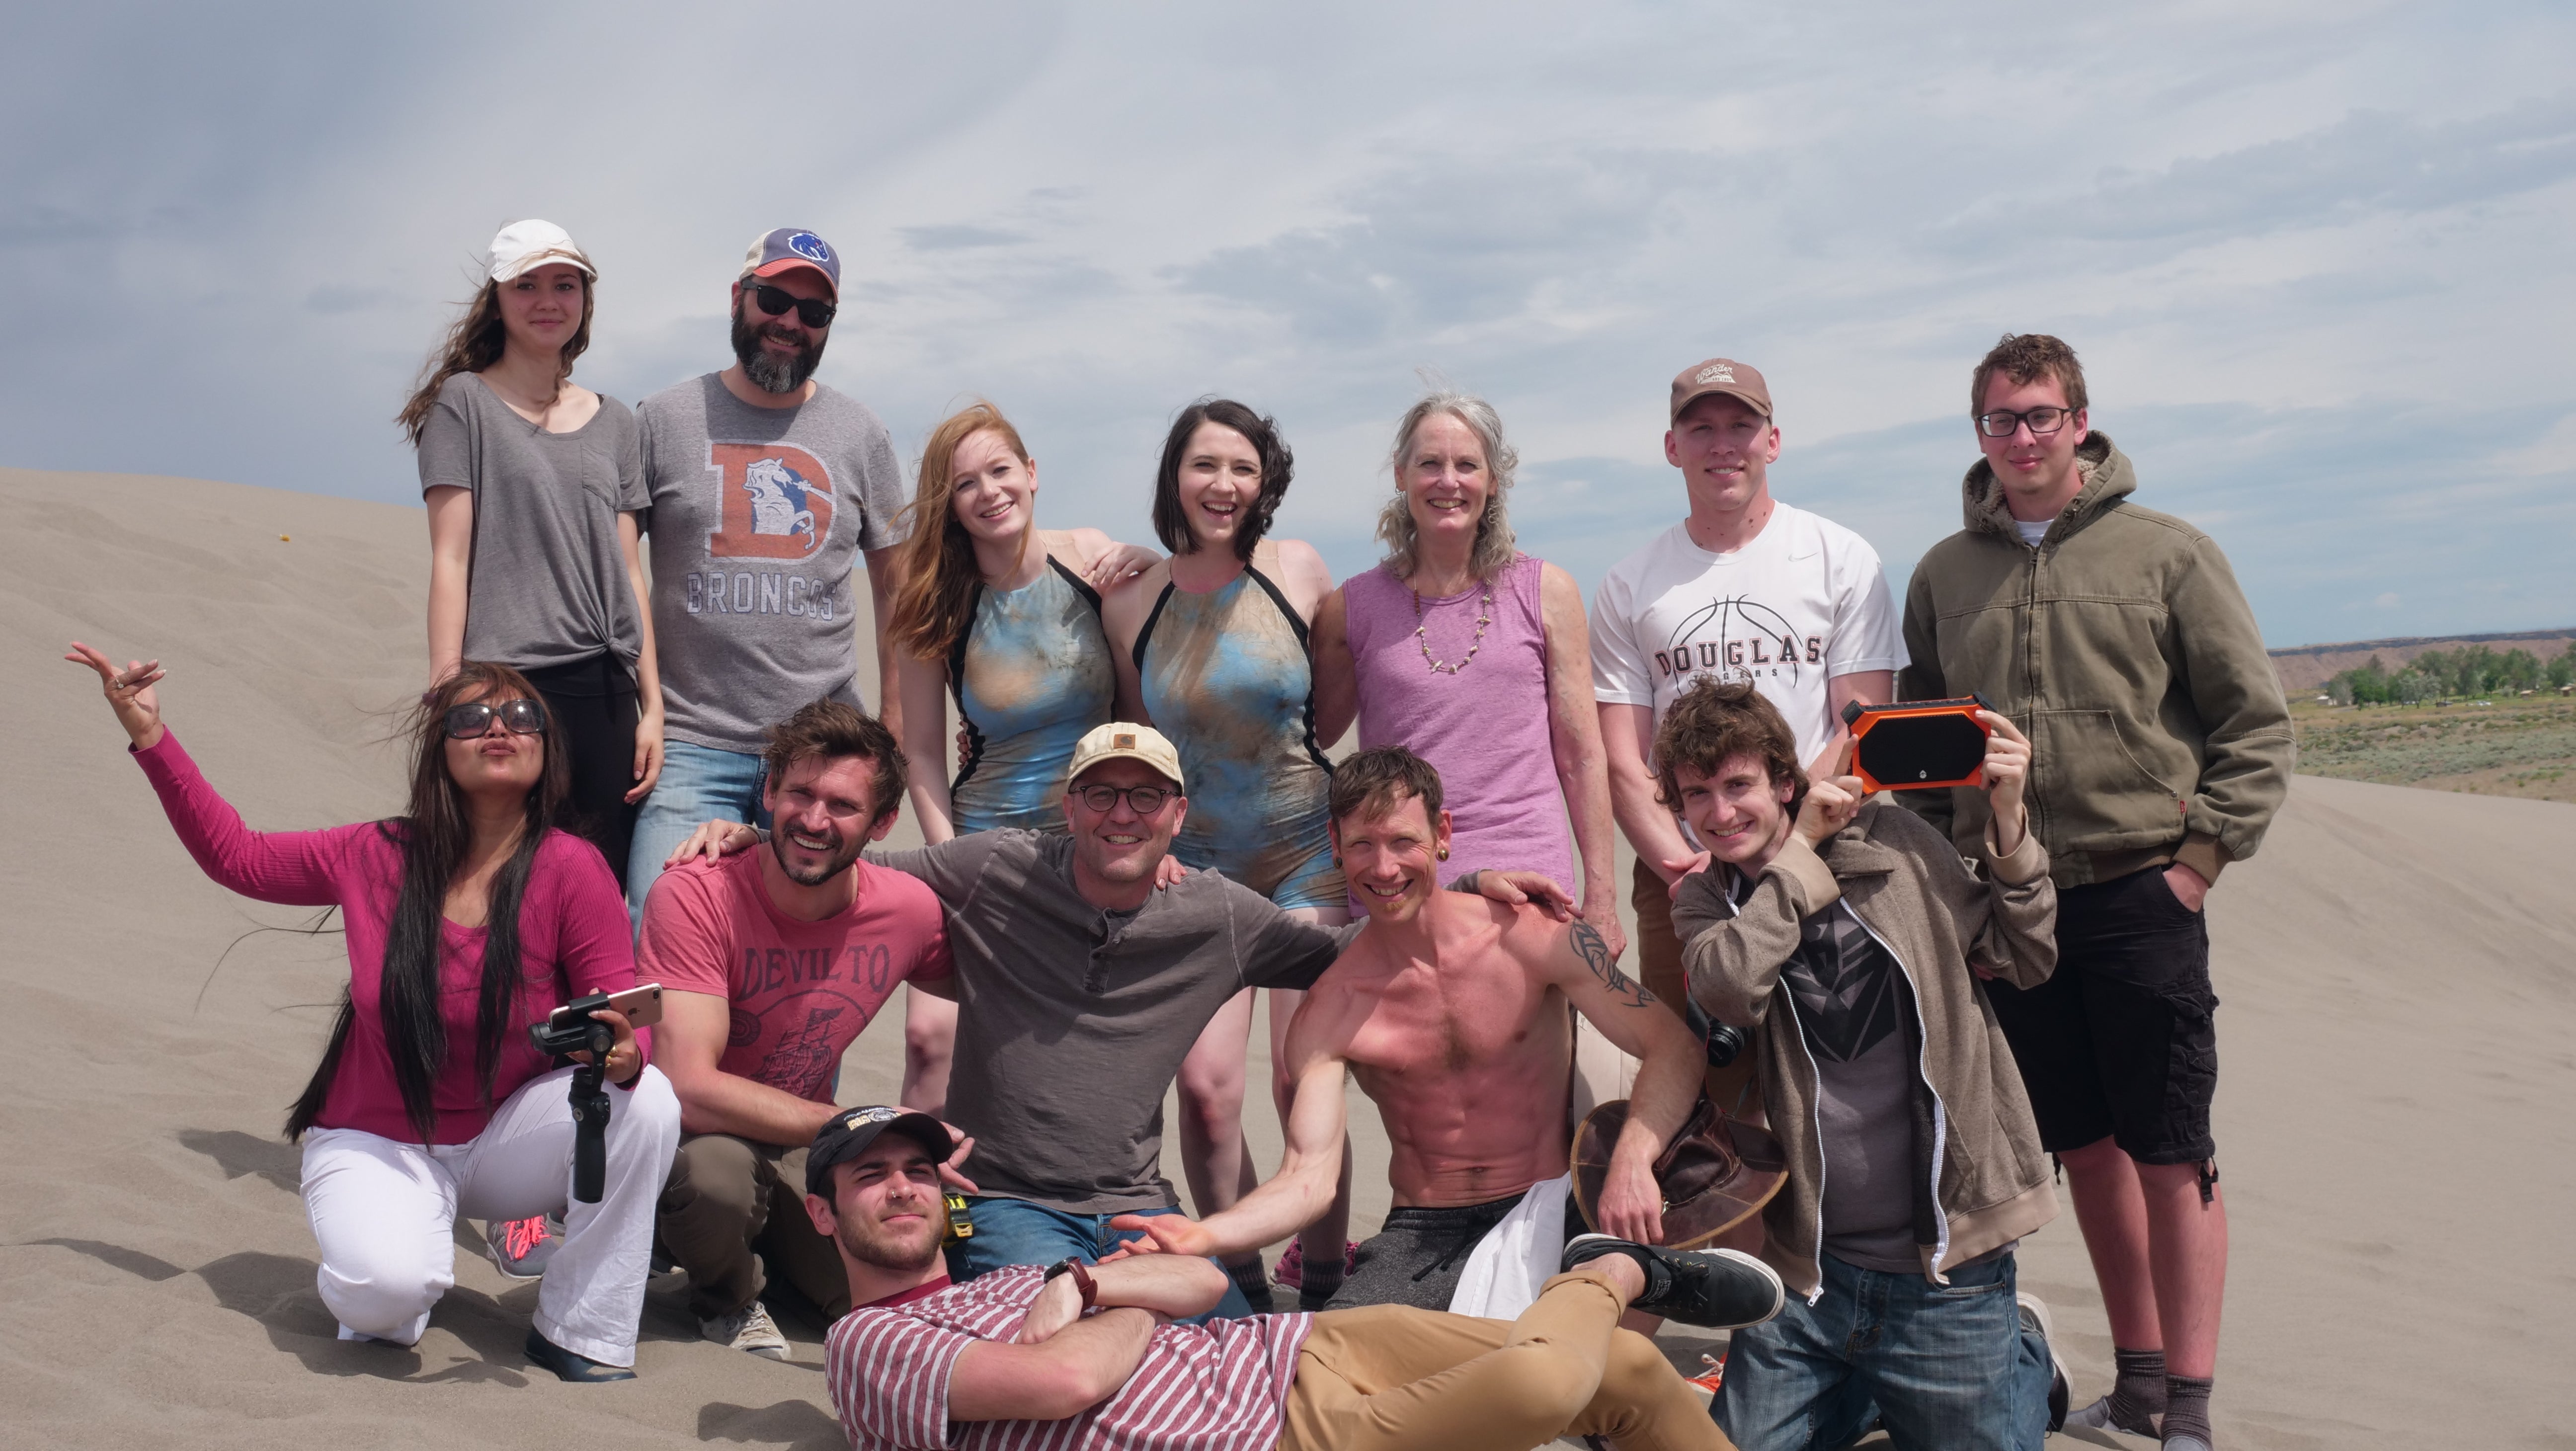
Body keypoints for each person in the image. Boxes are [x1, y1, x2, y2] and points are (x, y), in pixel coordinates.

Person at [663, 724, 1563, 1320]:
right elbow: (847, 864)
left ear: (1178, 817)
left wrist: (1467, 890)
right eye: (1101, 794)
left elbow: (1368, 952)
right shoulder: (990, 871)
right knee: (1049, 1336)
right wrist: (743, 838)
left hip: (1141, 1209)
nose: (1121, 814)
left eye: (1144, 797)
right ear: (1068, 806)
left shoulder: (1217, 914)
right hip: (1004, 1204)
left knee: (1239, 1355)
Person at [66, 644, 680, 1381]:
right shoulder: (376, 852)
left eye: (520, 715)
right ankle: (399, 1267)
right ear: (439, 750)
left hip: (506, 1138)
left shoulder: (572, 867)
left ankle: (581, 1329)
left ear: (546, 751)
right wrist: (150, 736)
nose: (498, 727)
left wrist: (618, 1053)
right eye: (471, 716)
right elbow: (239, 856)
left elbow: (617, 1011)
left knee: (647, 1103)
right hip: (378, 1138)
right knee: (383, 1304)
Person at [1899, 334, 2294, 1451]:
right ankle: (2139, 1379)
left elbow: (2254, 724)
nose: (2020, 439)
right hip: (2012, 907)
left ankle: (2195, 1413)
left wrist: (2197, 866)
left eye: (2039, 416)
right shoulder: (1943, 573)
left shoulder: (2168, 554)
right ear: (1978, 432)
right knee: (2084, 1149)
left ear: (2080, 421)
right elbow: (1920, 755)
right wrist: (1949, 889)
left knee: (2172, 1149)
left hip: (2140, 893)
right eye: (1999, 420)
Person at [1111, 745, 1723, 1322]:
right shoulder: (1332, 1008)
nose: (1384, 868)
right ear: (1335, 846)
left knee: (1567, 1348)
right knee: (1329, 1370)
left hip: (1553, 1204)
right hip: (1422, 1232)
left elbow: (1671, 1045)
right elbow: (1308, 1177)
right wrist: (1203, 1234)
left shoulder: (1530, 937)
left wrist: (1632, 1163)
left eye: (1404, 841)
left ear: (1444, 835)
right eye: (1363, 845)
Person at [806, 1104, 1777, 1451]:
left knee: (1634, 1377)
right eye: (871, 1176)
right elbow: (1069, 1381)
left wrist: (1098, 1291)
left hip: (1298, 1346)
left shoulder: (1000, 1280)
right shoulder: (870, 1345)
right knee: (1543, 1383)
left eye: (918, 1170)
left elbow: (1190, 1284)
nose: (902, 1189)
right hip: (1275, 1434)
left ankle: (1603, 1288)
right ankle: (1608, 1269)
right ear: (823, 1209)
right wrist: (1098, 1294)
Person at [1657, 676, 2067, 1449]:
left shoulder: (1894, 845)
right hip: (1810, 1274)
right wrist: (1800, 854)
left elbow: (2026, 955)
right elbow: (1733, 988)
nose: (1720, 813)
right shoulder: (1703, 903)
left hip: (1949, 1272)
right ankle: (1870, 1395)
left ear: (1786, 780)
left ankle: (2024, 1358)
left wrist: (2009, 824)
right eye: (1696, 795)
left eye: (1739, 785)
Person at [1591, 358, 1906, 1098]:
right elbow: (1624, 759)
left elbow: (1861, 728)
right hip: (1684, 874)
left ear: (1774, 440)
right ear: (1673, 447)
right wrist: (1683, 865)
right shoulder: (1631, 584)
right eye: (1702, 428)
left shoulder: (1840, 558)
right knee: (1702, 1094)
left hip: (1828, 853)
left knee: (1839, 1085)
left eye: (1742, 425)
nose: (1723, 444)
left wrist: (1795, 846)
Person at [1101, 398, 1348, 1308]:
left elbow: (1333, 710)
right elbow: (1136, 733)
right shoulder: (1131, 597)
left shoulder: (1298, 570)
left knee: (1299, 1082)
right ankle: (1239, 1284)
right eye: (1206, 465)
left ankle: (1322, 1278)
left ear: (1264, 481)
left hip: (1303, 855)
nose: (1224, 485)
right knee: (1206, 1094)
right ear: (1175, 475)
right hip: (1196, 865)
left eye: (1242, 468)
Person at [642, 700, 957, 1358]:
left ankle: (780, 1265)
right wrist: (863, 1122)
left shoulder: (909, 910)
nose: (814, 820)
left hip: (797, 1149)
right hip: (689, 1141)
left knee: (894, 1283)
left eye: (842, 805)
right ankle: (726, 1296)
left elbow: (998, 1003)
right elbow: (691, 1090)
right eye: (799, 794)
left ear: (883, 822)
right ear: (768, 794)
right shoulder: (696, 893)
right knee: (714, 1180)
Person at [625, 228, 912, 928]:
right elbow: (614, 565)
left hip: (827, 756)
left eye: (814, 313)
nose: (790, 323)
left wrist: (894, 738)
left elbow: (898, 590)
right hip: (693, 744)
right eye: (775, 300)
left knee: (802, 961)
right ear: (739, 297)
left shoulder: (861, 433)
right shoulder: (662, 419)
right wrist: (647, 709)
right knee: (657, 930)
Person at [882, 401, 1159, 1116]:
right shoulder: (933, 601)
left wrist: (1155, 566)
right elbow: (919, 751)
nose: (989, 493)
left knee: (1077, 1040)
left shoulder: (1092, 559)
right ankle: (911, 1206)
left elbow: (1144, 697)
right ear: (949, 505)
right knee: (930, 1040)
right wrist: (950, 862)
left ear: (1032, 474)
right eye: (965, 484)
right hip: (985, 844)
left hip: (1094, 839)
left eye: (1000, 470)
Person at [1311, 391, 1624, 959]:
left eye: (1467, 465)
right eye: (1430, 463)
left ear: (1494, 480)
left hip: (1530, 874)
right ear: (1402, 476)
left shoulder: (1547, 591)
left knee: (1531, 1046)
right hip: (1399, 873)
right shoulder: (1349, 607)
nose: (1447, 481)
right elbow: (1312, 738)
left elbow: (1581, 756)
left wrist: (1603, 895)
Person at [402, 219, 663, 897]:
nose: (548, 300)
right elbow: (450, 558)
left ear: (584, 300)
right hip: (507, 695)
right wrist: (446, 690)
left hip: (606, 694)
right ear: (498, 298)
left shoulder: (617, 423)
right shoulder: (464, 405)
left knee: (602, 894)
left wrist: (654, 707)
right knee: (504, 892)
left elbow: (629, 571)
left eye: (564, 284)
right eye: (528, 285)